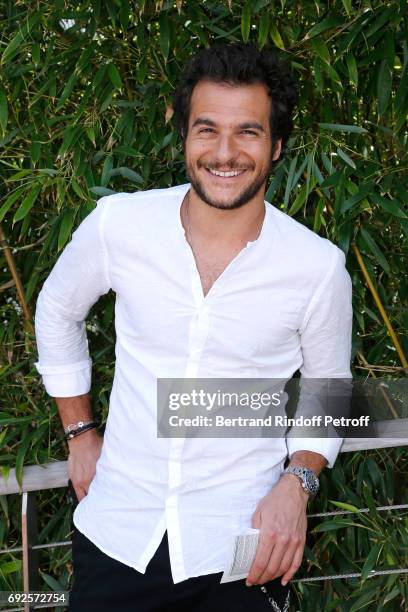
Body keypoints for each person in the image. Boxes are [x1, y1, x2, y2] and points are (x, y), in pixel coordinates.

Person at [34, 43, 353, 611]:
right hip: (118, 534)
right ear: (184, 136)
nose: (224, 153)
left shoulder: (316, 265)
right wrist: (79, 432)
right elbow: (57, 309)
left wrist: (298, 482)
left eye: (248, 133)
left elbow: (330, 388)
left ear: (277, 146)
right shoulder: (121, 226)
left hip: (242, 547)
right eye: (207, 130)